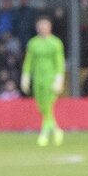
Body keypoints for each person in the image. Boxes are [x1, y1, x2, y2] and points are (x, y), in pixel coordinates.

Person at [20, 17, 66, 146]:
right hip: (37, 78)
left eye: (44, 26)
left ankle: (44, 133)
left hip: (50, 78)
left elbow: (59, 62)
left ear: (49, 27)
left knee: (48, 105)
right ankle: (56, 130)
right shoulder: (33, 43)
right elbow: (28, 61)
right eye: (40, 26)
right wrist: (25, 76)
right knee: (41, 107)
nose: (42, 28)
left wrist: (59, 79)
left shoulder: (56, 43)